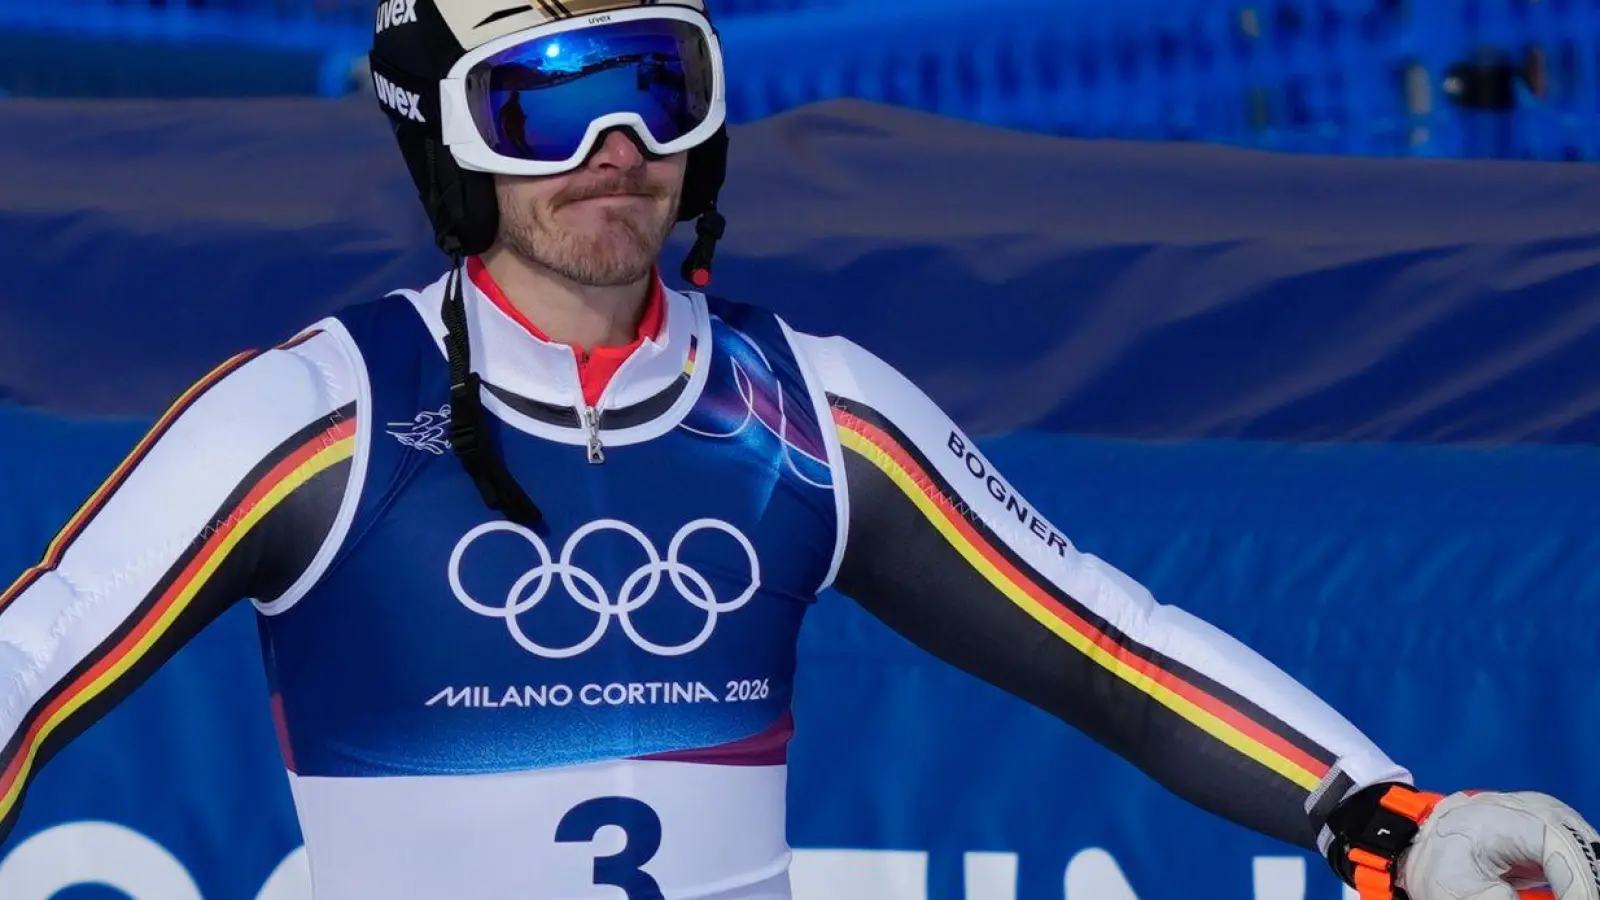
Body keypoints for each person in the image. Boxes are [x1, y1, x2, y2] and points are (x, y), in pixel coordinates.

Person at [0, 2, 1595, 899]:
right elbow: (49, 644)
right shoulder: (318, 414)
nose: (615, 150)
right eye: (546, 105)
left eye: (651, 84)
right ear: (449, 146)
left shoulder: (810, 407)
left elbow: (1108, 645)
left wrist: (1391, 817)